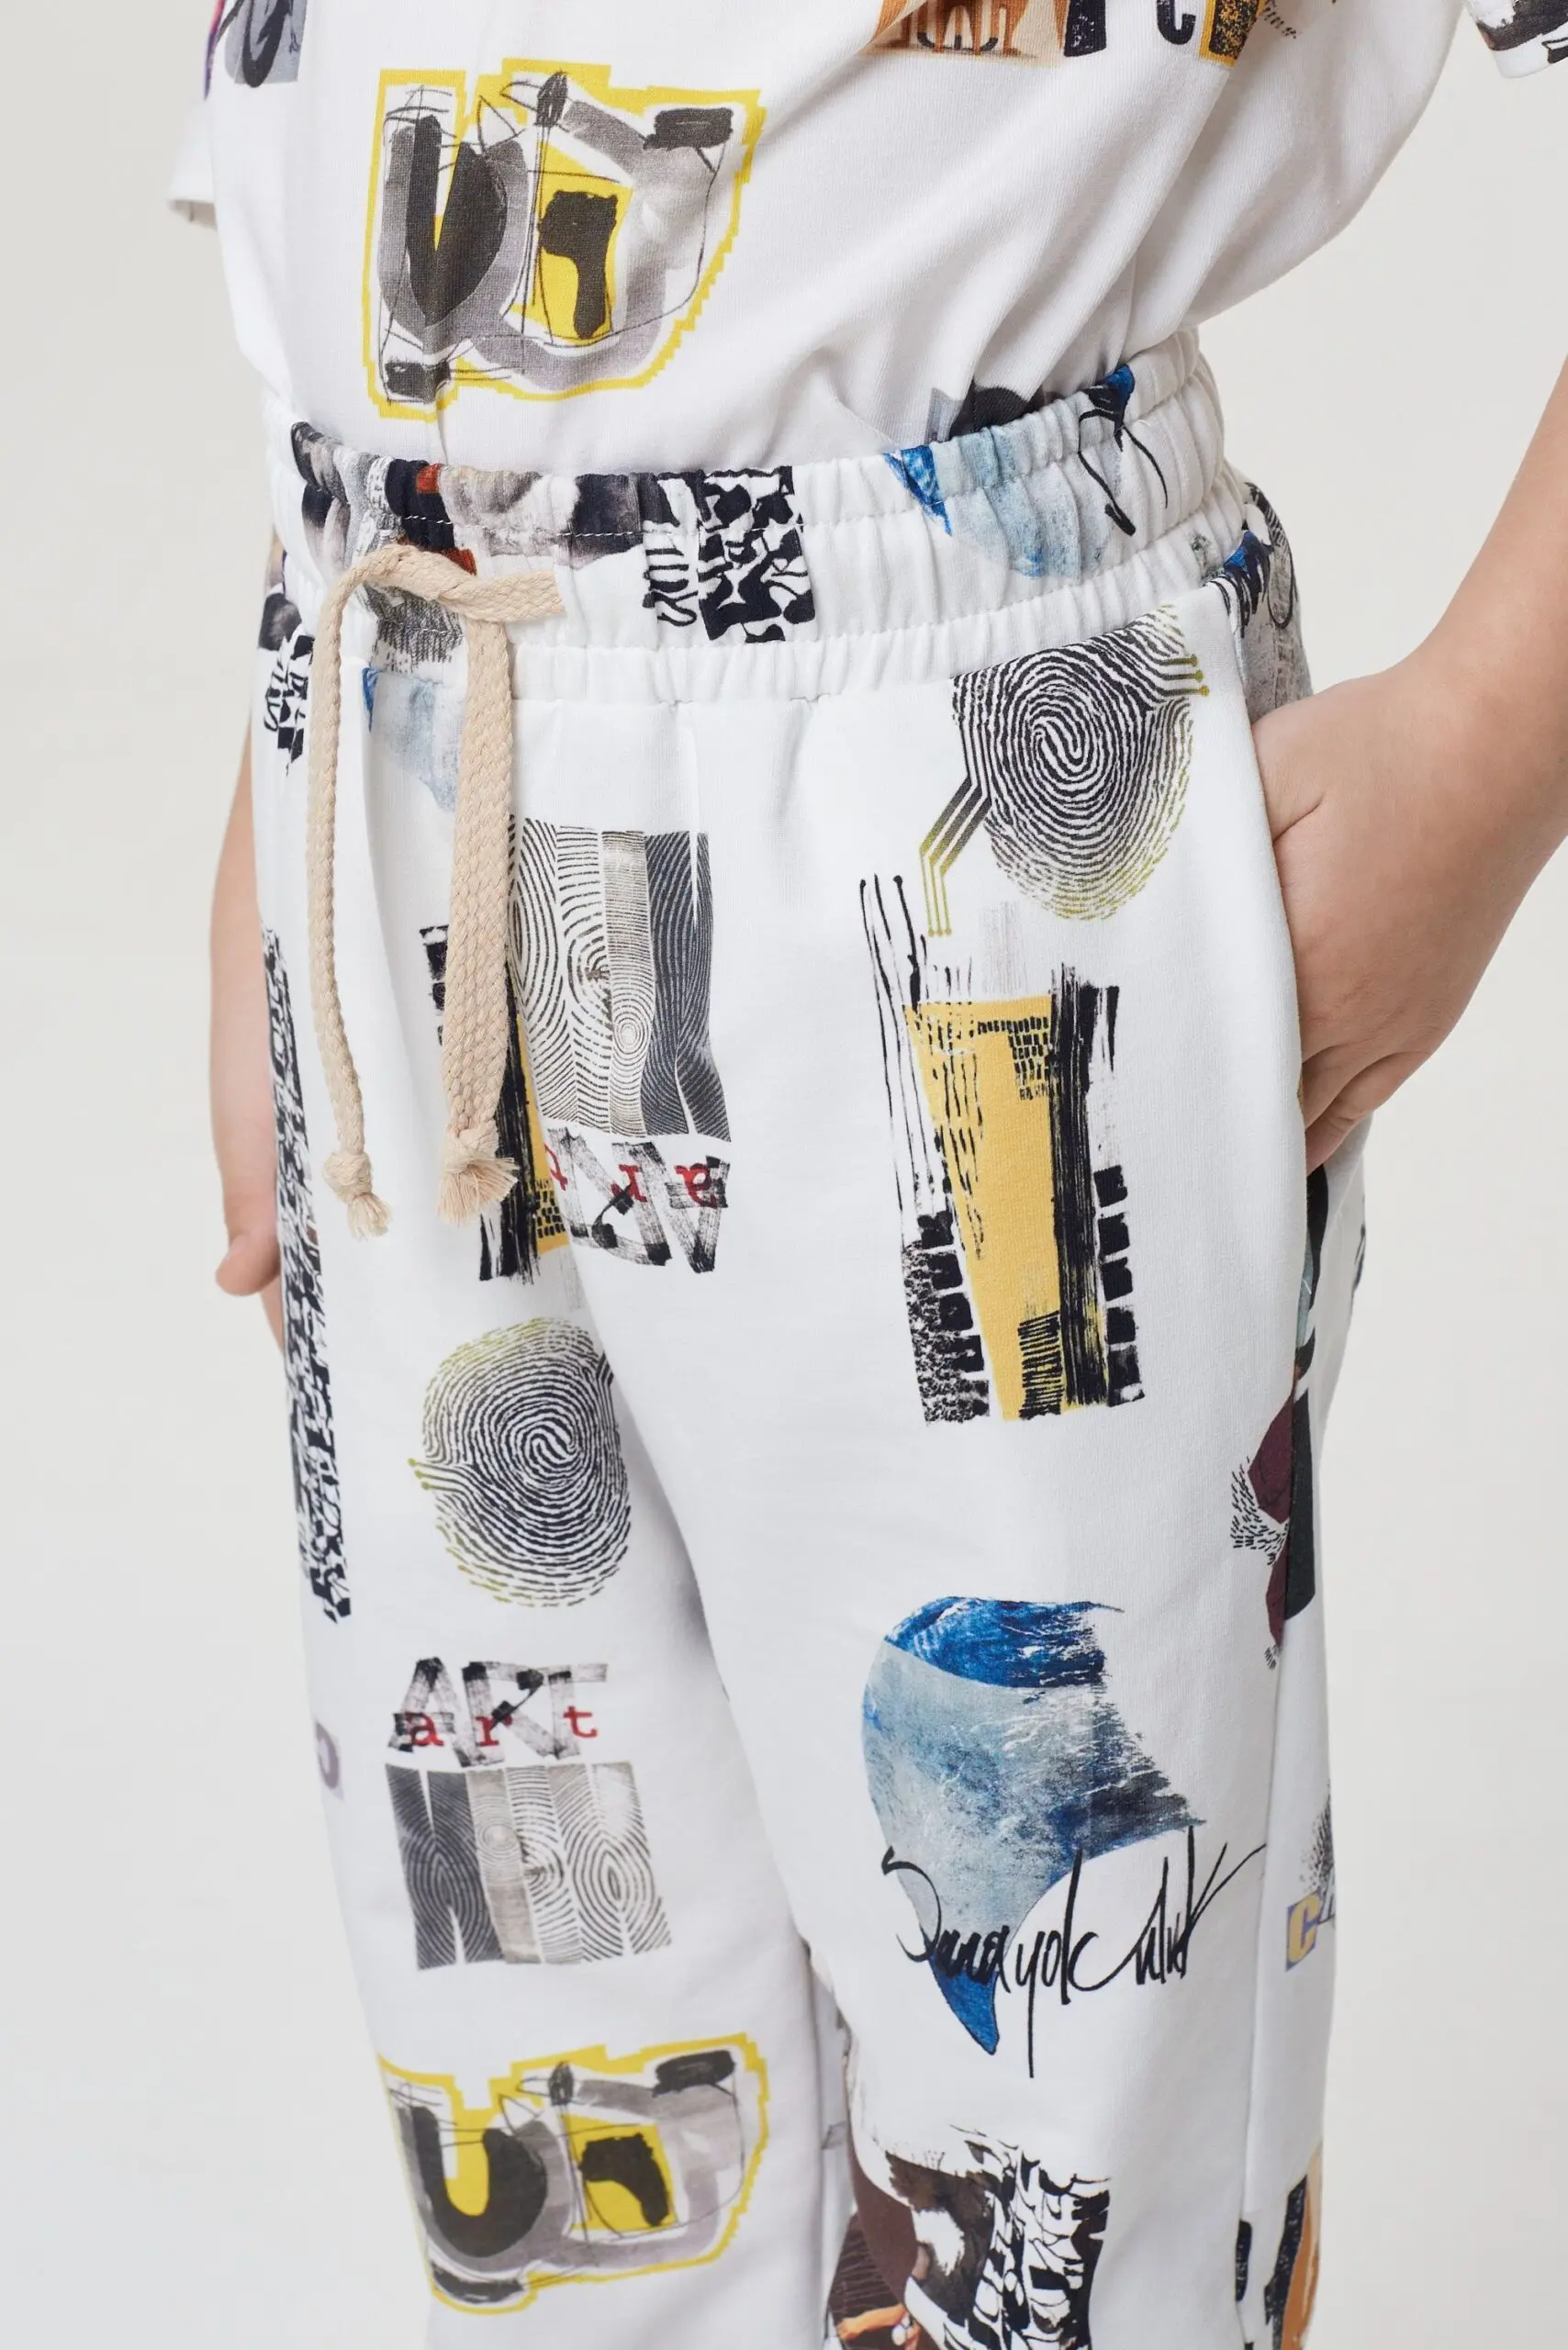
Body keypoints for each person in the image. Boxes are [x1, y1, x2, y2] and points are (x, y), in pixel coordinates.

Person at [183, 6, 1566, 2345]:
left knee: (1052, 2115)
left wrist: (1490, 743)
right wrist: (288, 781)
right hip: (405, 708)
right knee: (564, 2091)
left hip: (951, 760)